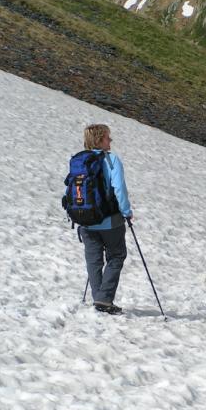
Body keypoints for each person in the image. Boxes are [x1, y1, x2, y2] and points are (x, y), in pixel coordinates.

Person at [78, 124, 133, 315]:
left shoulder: (80, 160)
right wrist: (126, 211)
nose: (111, 141)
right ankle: (104, 298)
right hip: (109, 220)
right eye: (108, 137)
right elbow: (119, 188)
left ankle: (98, 298)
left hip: (85, 220)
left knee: (93, 260)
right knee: (116, 255)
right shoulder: (111, 160)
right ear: (100, 140)